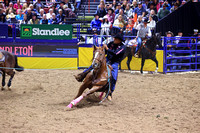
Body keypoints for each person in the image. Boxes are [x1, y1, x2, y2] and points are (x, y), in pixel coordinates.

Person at [74, 33, 126, 100]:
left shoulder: (122, 47)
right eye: (114, 38)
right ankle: (82, 75)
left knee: (114, 77)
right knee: (93, 66)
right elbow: (105, 52)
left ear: (119, 40)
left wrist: (107, 49)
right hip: (107, 60)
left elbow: (115, 53)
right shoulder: (111, 43)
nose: (114, 39)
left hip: (114, 63)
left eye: (116, 38)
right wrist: (102, 51)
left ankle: (109, 93)